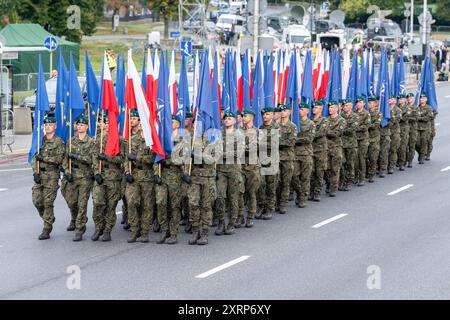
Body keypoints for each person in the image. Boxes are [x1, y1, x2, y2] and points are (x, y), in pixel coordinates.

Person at [31, 112, 66, 240]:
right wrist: (35, 171)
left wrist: (44, 158)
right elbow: (34, 157)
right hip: (40, 176)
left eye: (50, 125)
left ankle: (47, 227)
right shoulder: (40, 140)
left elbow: (59, 159)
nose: (48, 127)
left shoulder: (59, 142)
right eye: (46, 125)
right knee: (37, 201)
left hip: (51, 176)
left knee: (48, 202)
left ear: (55, 126)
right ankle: (49, 217)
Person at [91, 113, 124, 241]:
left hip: (113, 178)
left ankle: (107, 230)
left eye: (110, 123)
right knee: (98, 203)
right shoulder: (98, 140)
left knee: (111, 206)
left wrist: (108, 158)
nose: (107, 125)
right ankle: (98, 227)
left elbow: (122, 159)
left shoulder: (119, 140)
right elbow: (94, 157)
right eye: (106, 123)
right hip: (100, 177)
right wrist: (96, 173)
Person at [124, 109, 156, 243]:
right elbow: (126, 158)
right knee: (131, 203)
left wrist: (136, 158)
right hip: (134, 175)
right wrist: (127, 172)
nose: (142, 125)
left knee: (146, 205)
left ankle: (144, 232)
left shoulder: (152, 140)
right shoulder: (132, 140)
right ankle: (134, 230)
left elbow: (152, 159)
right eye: (141, 122)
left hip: (147, 176)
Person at [62, 114, 94, 241]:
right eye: (78, 124)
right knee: (71, 202)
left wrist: (76, 157)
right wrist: (67, 171)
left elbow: (91, 160)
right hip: (73, 176)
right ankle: (77, 218)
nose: (79, 127)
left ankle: (79, 229)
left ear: (86, 127)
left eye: (82, 125)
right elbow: (65, 159)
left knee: (82, 204)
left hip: (85, 177)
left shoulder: (91, 142)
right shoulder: (71, 141)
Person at [155, 115, 186, 244]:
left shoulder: (183, 141)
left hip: (175, 176)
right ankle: (164, 230)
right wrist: (156, 173)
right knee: (161, 203)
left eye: (172, 121)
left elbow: (183, 159)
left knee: (174, 205)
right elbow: (156, 157)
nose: (170, 123)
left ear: (178, 124)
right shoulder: (162, 139)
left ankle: (173, 232)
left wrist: (167, 160)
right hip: (163, 175)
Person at [187, 126, 220, 245]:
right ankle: (195, 230)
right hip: (195, 177)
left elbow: (213, 158)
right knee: (193, 204)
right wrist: (186, 172)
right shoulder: (193, 139)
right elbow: (187, 158)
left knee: (206, 205)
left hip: (208, 177)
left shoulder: (215, 139)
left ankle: (205, 232)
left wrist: (198, 156)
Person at [215, 111, 243, 235]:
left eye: (230, 118)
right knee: (220, 196)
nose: (227, 120)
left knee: (233, 197)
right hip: (220, 170)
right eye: (225, 118)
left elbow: (238, 153)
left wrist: (221, 154)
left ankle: (232, 222)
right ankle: (221, 222)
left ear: (234, 121)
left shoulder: (239, 135)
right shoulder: (219, 135)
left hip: (233, 170)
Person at [292, 103, 315, 208]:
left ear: (307, 111)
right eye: (299, 109)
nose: (300, 111)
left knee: (305, 177)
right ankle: (299, 193)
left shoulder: (311, 124)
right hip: (295, 154)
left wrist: (295, 140)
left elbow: (309, 139)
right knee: (294, 176)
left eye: (302, 109)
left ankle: (302, 198)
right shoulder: (294, 123)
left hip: (306, 153)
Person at [256, 107, 278, 220]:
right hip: (261, 160)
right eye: (263, 114)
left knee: (271, 185)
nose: (265, 116)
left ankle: (269, 208)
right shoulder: (260, 128)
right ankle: (261, 206)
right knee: (261, 185)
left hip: (271, 161)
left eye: (267, 114)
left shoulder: (276, 127)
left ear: (273, 115)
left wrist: (260, 144)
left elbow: (274, 145)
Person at [240, 109, 261, 227]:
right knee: (239, 192)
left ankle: (250, 216)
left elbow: (255, 147)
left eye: (245, 116)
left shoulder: (257, 132)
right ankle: (240, 216)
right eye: (242, 116)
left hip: (252, 167)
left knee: (251, 193)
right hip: (240, 167)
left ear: (252, 117)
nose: (243, 118)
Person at [275, 104, 296, 213]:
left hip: (287, 157)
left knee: (286, 182)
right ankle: (277, 202)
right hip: (277, 158)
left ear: (289, 112)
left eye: (285, 110)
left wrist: (277, 142)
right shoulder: (275, 126)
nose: (282, 112)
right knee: (277, 182)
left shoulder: (292, 126)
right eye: (281, 110)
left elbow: (291, 142)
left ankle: (283, 204)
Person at [325, 101, 346, 197]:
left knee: (335, 168)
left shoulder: (341, 120)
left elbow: (337, 133)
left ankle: (333, 187)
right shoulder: (326, 120)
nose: (330, 109)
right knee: (327, 168)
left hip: (336, 148)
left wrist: (326, 131)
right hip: (326, 148)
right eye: (329, 107)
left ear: (337, 108)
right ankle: (328, 184)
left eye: (332, 107)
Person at [310, 100, 328, 202]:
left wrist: (309, 135)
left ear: (320, 109)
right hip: (312, 149)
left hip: (320, 149)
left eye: (316, 107)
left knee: (319, 171)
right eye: (313, 107)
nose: (314, 109)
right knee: (311, 172)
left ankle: (317, 192)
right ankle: (311, 191)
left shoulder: (324, 121)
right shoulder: (310, 120)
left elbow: (320, 133)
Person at [339, 99, 358, 191]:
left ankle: (349, 180)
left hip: (351, 144)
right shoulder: (340, 116)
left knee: (350, 163)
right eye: (344, 105)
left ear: (351, 106)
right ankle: (342, 180)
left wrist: (341, 130)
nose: (344, 107)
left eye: (346, 105)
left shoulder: (355, 116)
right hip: (342, 143)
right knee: (342, 163)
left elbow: (352, 129)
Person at [354, 97, 371, 186]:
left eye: (361, 102)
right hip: (354, 139)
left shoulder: (366, 113)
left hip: (363, 139)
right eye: (358, 102)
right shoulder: (354, 113)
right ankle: (355, 176)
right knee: (355, 159)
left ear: (364, 104)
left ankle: (362, 177)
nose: (359, 104)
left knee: (361, 158)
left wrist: (355, 128)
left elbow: (366, 126)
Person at [366, 96, 382, 183]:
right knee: (365, 157)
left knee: (373, 157)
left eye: (371, 102)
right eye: (368, 102)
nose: (369, 104)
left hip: (374, 138)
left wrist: (366, 125)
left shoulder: (378, 114)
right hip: (366, 138)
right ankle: (366, 173)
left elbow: (376, 125)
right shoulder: (365, 113)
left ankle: (371, 174)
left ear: (375, 104)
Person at [416, 93, 434, 164]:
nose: (421, 99)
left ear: (426, 99)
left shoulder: (429, 108)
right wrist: (419, 118)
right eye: (420, 98)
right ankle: (421, 153)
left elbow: (428, 117)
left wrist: (419, 118)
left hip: (425, 128)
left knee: (424, 142)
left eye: (423, 98)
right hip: (417, 128)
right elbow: (414, 116)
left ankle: (422, 157)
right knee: (416, 143)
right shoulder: (417, 107)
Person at [387, 95, 402, 174]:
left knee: (393, 150)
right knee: (385, 150)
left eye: (392, 99)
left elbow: (396, 120)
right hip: (386, 132)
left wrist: (389, 115)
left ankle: (391, 166)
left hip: (394, 132)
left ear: (395, 101)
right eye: (389, 98)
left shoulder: (398, 110)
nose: (390, 100)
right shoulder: (384, 109)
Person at [397, 94, 411, 171]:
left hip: (403, 130)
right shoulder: (395, 107)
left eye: (401, 99)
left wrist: (396, 117)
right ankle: (398, 161)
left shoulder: (407, 109)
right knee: (396, 147)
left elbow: (404, 118)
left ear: (405, 100)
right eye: (399, 99)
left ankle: (402, 162)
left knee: (403, 146)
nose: (400, 100)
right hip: (395, 130)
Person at [406, 93, 418, 167]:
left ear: (413, 98)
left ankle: (410, 160)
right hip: (404, 130)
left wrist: (407, 118)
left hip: (412, 129)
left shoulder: (415, 108)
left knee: (411, 145)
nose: (409, 99)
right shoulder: (404, 107)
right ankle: (403, 160)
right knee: (404, 146)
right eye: (408, 98)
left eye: (411, 97)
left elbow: (415, 118)